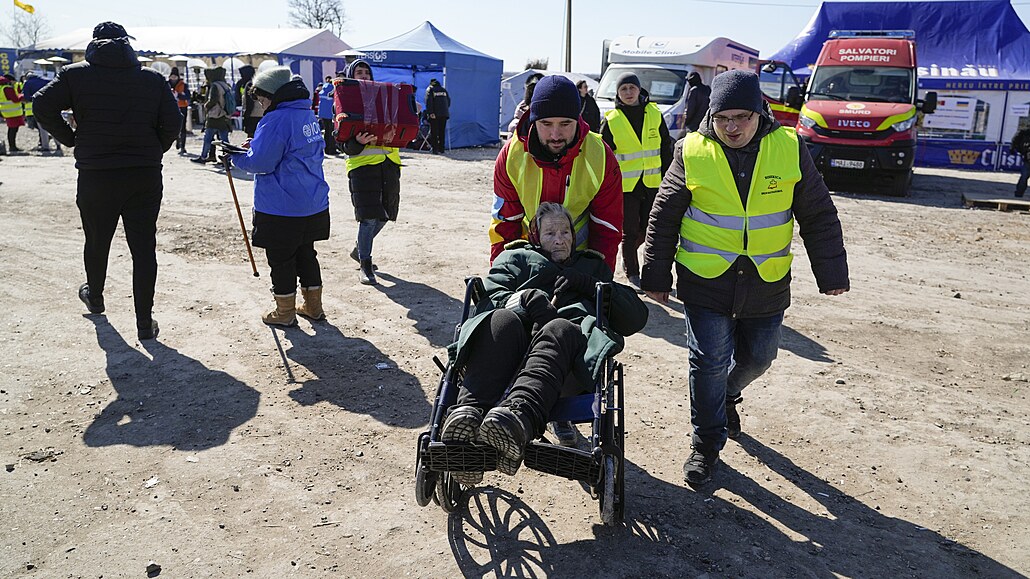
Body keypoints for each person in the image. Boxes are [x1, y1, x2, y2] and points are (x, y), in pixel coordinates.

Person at [640, 70, 850, 486]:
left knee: (759, 357)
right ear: (711, 116)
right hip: (705, 280)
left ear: (761, 113)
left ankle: (727, 395)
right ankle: (705, 445)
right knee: (708, 361)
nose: (732, 127)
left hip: (766, 281)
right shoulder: (691, 150)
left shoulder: (789, 147)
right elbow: (664, 217)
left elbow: (817, 213)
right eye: (723, 118)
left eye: (742, 117)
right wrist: (656, 275)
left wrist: (831, 272)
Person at [442, 202, 648, 481]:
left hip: (566, 364)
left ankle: (516, 421)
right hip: (508, 356)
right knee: (501, 320)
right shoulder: (517, 257)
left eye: (565, 232)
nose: (560, 239)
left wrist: (588, 284)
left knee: (560, 328)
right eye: (550, 233)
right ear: (536, 236)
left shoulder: (591, 265)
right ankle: (467, 422)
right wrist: (525, 299)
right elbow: (488, 297)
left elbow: (636, 318)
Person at [33, 21, 181, 340]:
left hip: (96, 175)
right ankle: (144, 322)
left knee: (97, 240)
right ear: (128, 43)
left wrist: (70, 138)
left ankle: (96, 298)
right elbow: (173, 122)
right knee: (143, 248)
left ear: (93, 43)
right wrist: (154, 148)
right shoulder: (152, 79)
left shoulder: (75, 75)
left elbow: (41, 104)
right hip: (143, 175)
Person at [226, 66, 331, 326]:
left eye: (262, 98)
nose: (261, 104)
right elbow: (293, 149)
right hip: (313, 201)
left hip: (282, 206)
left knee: (281, 259)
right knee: (307, 253)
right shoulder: (306, 114)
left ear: (273, 94)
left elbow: (261, 163)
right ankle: (313, 307)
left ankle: (284, 313)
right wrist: (257, 144)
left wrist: (236, 157)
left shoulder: (276, 119)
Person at [491, 74, 624, 275]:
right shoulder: (512, 156)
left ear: (578, 120)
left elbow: (607, 229)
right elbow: (505, 225)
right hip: (528, 255)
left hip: (580, 258)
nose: (555, 135)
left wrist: (597, 280)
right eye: (546, 123)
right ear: (534, 120)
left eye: (565, 124)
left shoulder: (601, 156)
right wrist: (503, 274)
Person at [599, 72, 674, 291]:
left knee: (649, 229)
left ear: (640, 90)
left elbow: (665, 147)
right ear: (618, 93)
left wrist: (669, 175)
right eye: (624, 89)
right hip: (626, 186)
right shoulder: (612, 119)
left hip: (652, 183)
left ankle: (629, 255)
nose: (629, 93)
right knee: (629, 231)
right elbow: (603, 155)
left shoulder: (654, 113)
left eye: (632, 88)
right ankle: (632, 271)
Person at [341, 59, 401, 286]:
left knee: (385, 214)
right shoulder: (344, 102)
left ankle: (359, 249)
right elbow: (342, 144)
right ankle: (365, 265)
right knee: (367, 219)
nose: (364, 75)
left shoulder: (382, 98)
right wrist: (356, 142)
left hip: (389, 164)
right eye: (359, 72)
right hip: (362, 168)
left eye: (367, 72)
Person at [191, 66, 232, 164]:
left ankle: (203, 157)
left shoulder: (215, 86)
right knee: (224, 139)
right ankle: (228, 159)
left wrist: (206, 106)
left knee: (208, 137)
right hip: (224, 115)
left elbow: (213, 100)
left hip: (215, 115)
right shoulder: (225, 85)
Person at [21, 70, 61, 154]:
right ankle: (58, 145)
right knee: (53, 126)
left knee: (43, 127)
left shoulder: (27, 83)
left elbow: (27, 97)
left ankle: (45, 147)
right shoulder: (46, 80)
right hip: (52, 105)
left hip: (39, 107)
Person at [167, 67, 190, 154]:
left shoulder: (183, 85)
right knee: (173, 125)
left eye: (175, 77)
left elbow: (188, 96)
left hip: (182, 107)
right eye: (172, 77)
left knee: (182, 126)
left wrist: (179, 95)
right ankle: (177, 139)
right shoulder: (167, 84)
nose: (173, 79)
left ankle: (183, 146)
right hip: (170, 107)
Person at [425, 78, 450, 154]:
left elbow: (429, 101)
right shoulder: (444, 90)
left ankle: (435, 149)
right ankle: (441, 149)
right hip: (444, 114)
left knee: (434, 132)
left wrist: (431, 112)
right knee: (442, 131)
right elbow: (448, 101)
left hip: (435, 114)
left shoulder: (430, 89)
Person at [0, 73, 25, 153]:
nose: (14, 83)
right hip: (13, 112)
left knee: (12, 129)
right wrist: (22, 96)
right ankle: (12, 147)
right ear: (10, 81)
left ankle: (12, 146)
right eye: (14, 81)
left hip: (7, 112)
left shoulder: (1, 88)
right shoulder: (8, 88)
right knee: (13, 130)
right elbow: (15, 99)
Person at [317, 73, 339, 155]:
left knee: (326, 132)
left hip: (323, 115)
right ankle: (332, 149)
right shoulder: (333, 90)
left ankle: (326, 149)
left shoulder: (322, 90)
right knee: (331, 132)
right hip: (330, 115)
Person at [1011, 127, 1030, 198]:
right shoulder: (1025, 132)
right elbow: (1016, 139)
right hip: (1028, 159)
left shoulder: (1025, 132)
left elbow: (1015, 139)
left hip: (1027, 158)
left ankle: (1019, 193)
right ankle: (1019, 193)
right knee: (1024, 177)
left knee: (1024, 177)